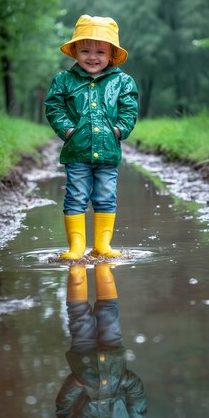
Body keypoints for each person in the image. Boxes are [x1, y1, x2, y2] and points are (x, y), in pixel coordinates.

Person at [44, 15, 139, 260]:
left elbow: (129, 110)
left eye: (100, 51)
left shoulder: (122, 81)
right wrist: (68, 131)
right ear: (75, 51)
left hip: (108, 151)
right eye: (85, 50)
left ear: (111, 54)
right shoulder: (64, 81)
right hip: (77, 151)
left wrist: (118, 130)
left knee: (106, 195)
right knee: (76, 194)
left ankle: (102, 245)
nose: (92, 56)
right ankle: (76, 248)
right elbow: (54, 107)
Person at [56, 263, 147, 418]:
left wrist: (75, 385)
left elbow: (63, 409)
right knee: (109, 316)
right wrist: (126, 381)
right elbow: (138, 399)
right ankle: (103, 268)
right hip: (113, 356)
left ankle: (76, 270)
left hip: (83, 359)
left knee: (79, 318)